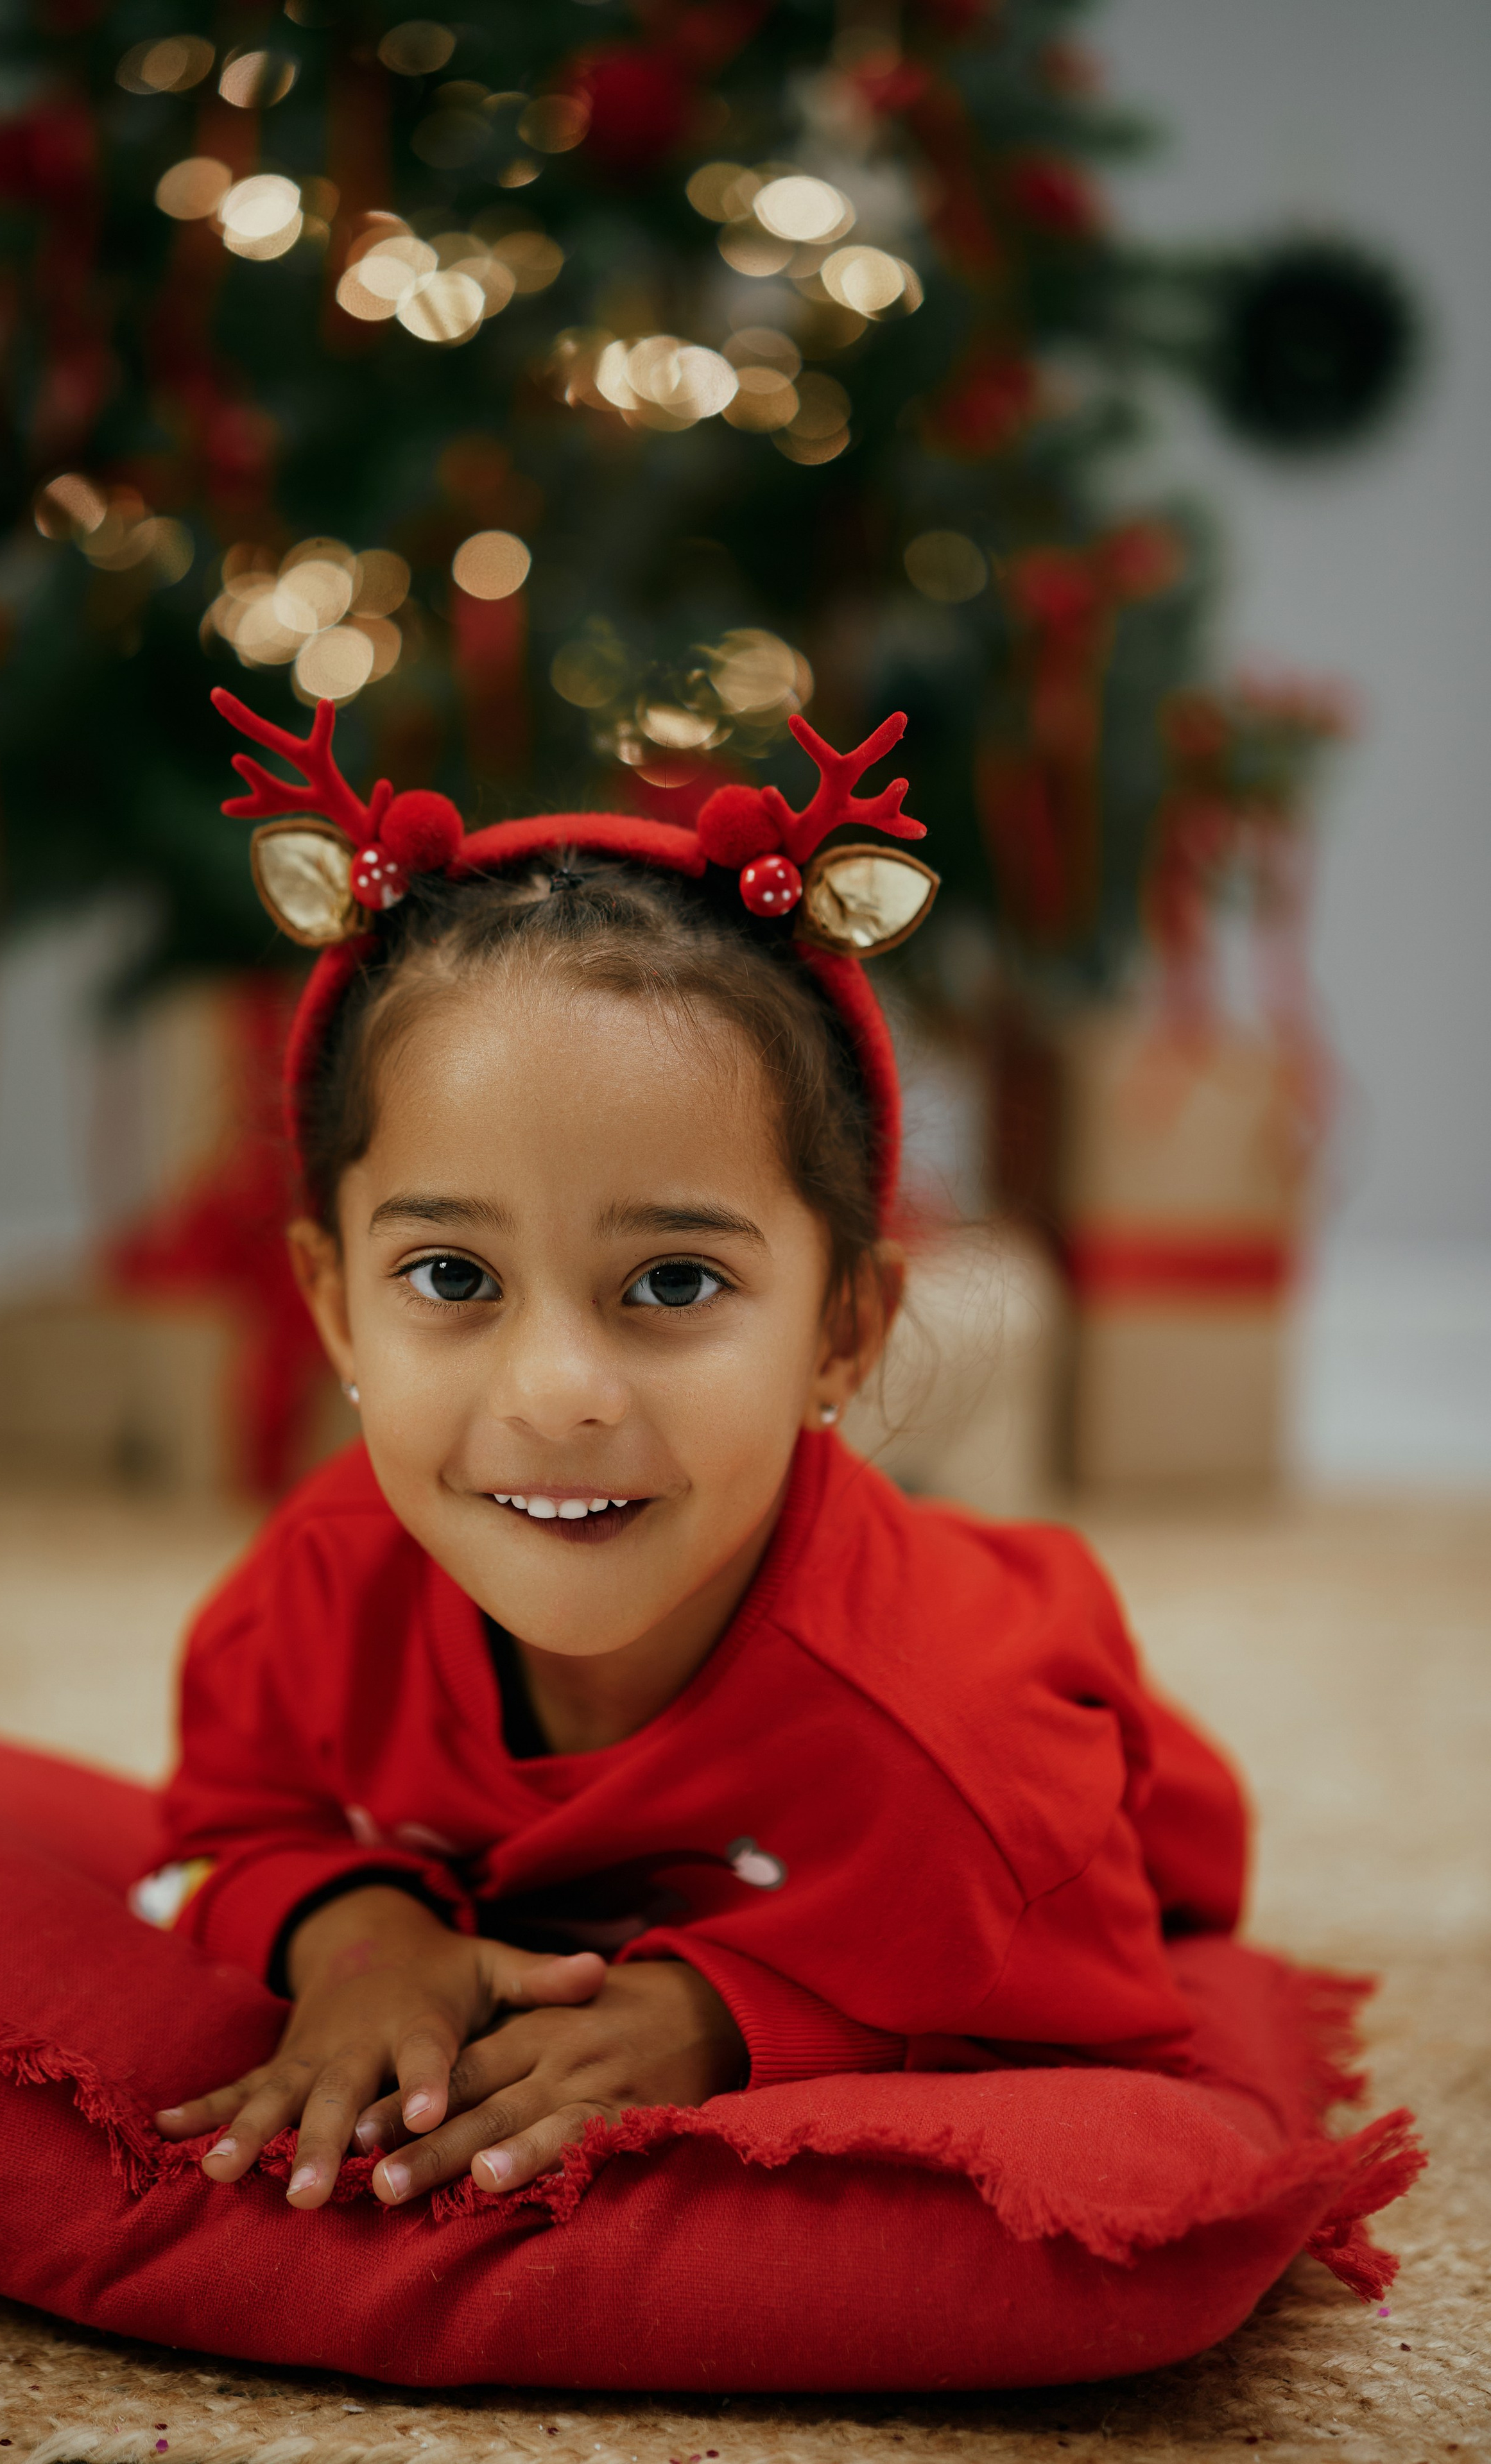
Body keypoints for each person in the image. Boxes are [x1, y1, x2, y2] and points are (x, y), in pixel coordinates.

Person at [142, 688, 1245, 2220]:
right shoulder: (319, 1586)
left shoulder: (959, 1759)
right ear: (333, 1304)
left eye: (671, 1284)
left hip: (1080, 1768)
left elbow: (1100, 1986)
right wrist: (359, 1932)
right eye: (451, 1279)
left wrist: (723, 2016)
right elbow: (228, 1820)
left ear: (842, 1328)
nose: (556, 1392)